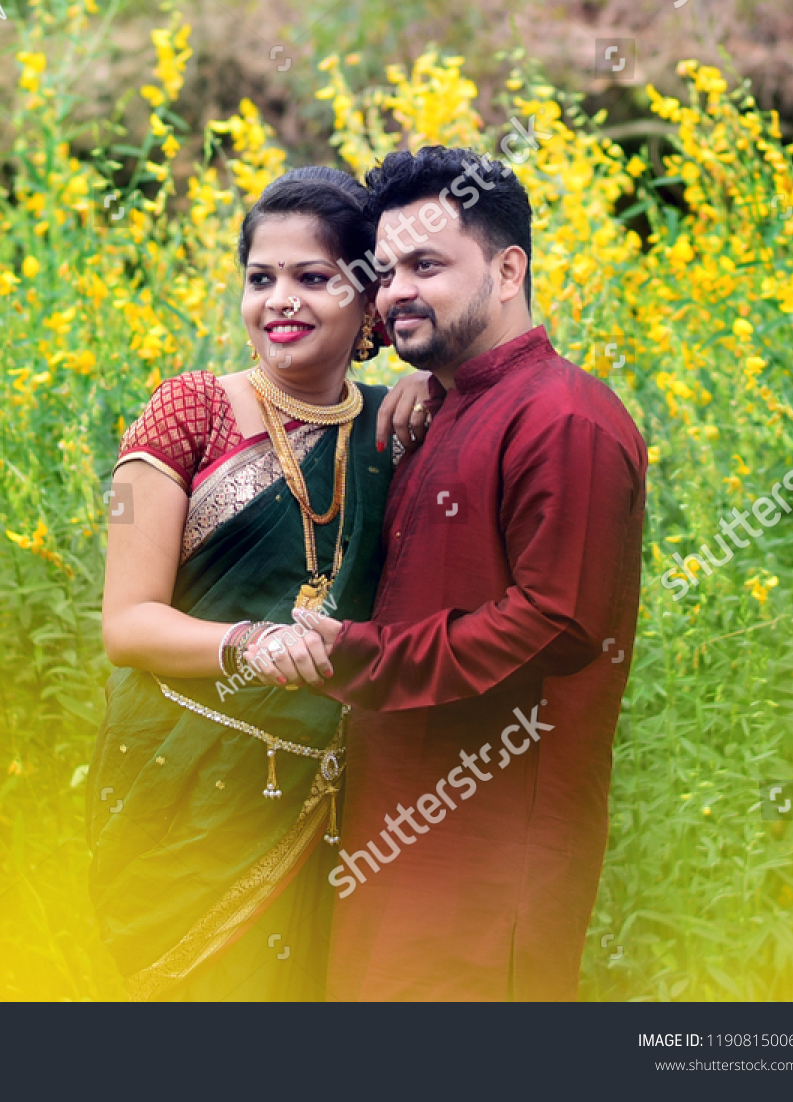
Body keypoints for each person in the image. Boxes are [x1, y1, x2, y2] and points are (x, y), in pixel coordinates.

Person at [275, 146, 649, 1000]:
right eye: (386, 269)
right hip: (395, 848)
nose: (397, 289)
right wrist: (427, 385)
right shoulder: (442, 406)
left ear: (509, 268)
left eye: (428, 265)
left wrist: (359, 658)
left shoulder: (566, 420)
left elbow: (557, 621)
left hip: (490, 869)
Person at [88, 166, 433, 1001]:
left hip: (320, 809)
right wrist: (252, 643)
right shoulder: (183, 413)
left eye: (314, 278)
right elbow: (125, 624)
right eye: (260, 278)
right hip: (176, 794)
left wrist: (435, 382)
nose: (281, 300)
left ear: (369, 302)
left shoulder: (401, 425)